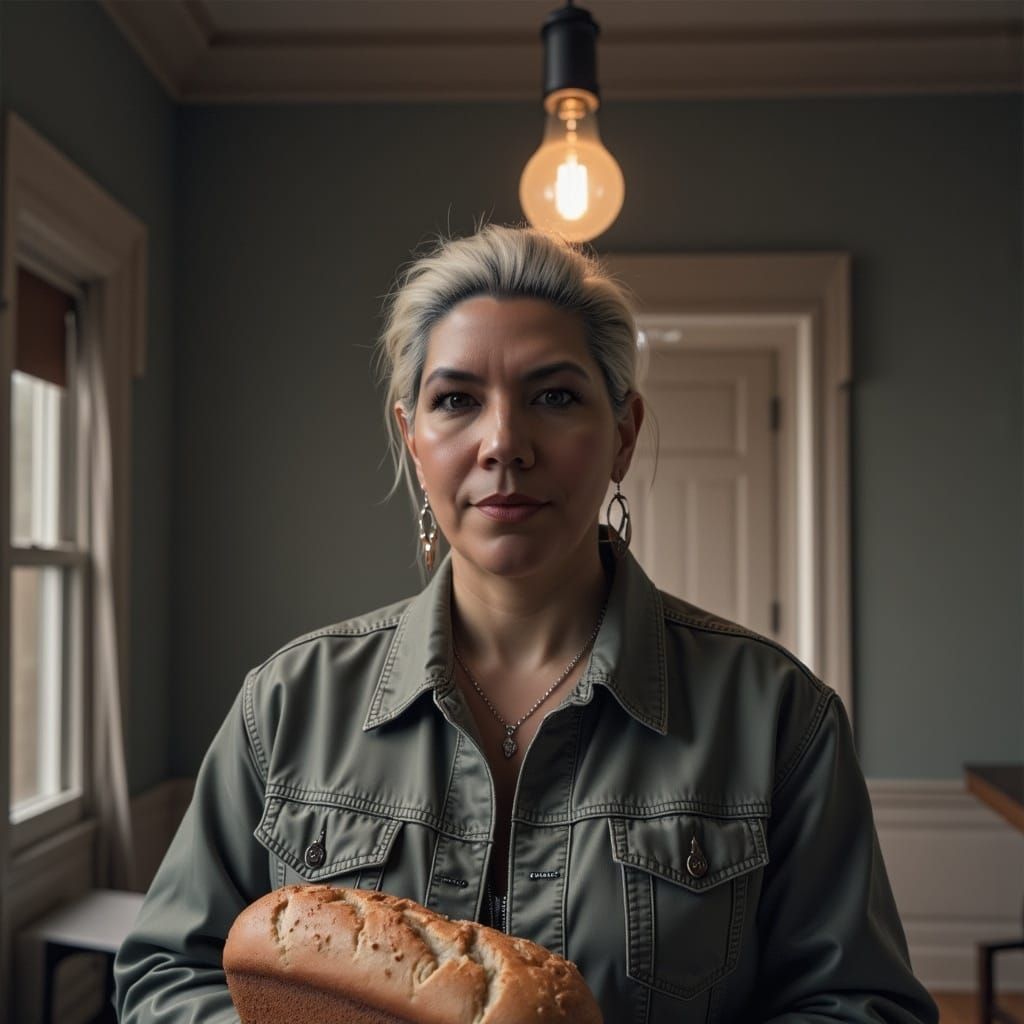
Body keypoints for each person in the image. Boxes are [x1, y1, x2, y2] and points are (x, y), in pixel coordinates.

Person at [115, 224, 939, 1023]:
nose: (504, 442)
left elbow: (861, 1005)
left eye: (554, 396)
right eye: (456, 400)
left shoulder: (778, 717)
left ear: (623, 434)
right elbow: (165, 974)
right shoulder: (287, 706)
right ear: (413, 438)